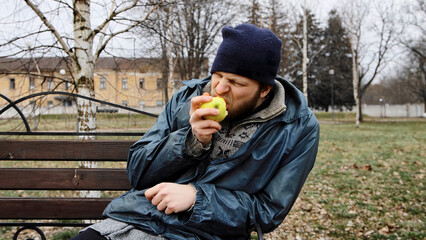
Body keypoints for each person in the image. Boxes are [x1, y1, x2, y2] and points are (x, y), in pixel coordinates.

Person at [71, 23, 319, 240]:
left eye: (235, 83)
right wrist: (190, 141)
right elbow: (138, 172)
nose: (220, 89)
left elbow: (268, 211)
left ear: (264, 90)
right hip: (138, 219)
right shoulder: (187, 98)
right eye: (218, 75)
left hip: (208, 233)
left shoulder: (297, 127)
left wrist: (196, 198)